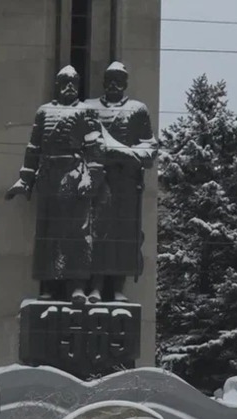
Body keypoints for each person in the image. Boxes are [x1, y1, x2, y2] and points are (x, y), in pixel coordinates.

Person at [6, 65, 106, 305]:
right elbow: (33, 147)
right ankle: (48, 286)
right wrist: (25, 179)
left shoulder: (86, 111)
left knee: (77, 233)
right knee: (47, 234)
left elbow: (96, 148)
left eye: (73, 82)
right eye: (64, 82)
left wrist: (90, 177)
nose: (69, 86)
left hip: (73, 173)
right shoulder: (44, 112)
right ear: (57, 86)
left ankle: (77, 286)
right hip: (49, 175)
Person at [85, 61, 158, 303]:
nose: (114, 84)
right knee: (97, 234)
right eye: (110, 79)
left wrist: (124, 154)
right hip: (98, 182)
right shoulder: (89, 108)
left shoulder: (137, 110)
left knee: (125, 237)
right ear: (103, 82)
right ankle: (94, 285)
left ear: (126, 84)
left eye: (119, 80)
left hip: (126, 184)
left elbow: (149, 148)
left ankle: (117, 287)